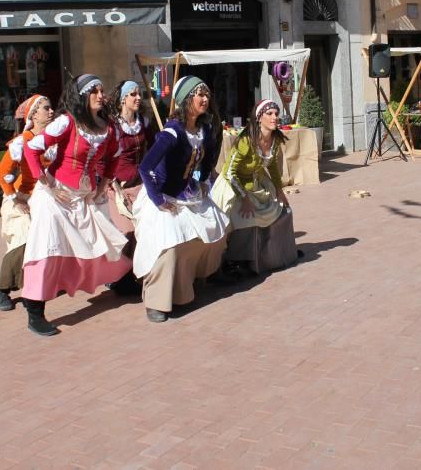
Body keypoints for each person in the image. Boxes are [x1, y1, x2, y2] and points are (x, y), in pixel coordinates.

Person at [20, 75, 131, 337]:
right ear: (82, 95)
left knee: (102, 241)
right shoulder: (66, 122)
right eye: (95, 90)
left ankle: (121, 282)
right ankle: (34, 312)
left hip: (84, 197)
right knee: (48, 249)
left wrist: (103, 185)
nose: (101, 95)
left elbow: (114, 157)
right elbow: (31, 149)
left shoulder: (108, 127)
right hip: (55, 198)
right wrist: (47, 183)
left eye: (102, 90)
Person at [132, 76, 229, 323]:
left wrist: (204, 180)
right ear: (187, 99)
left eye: (207, 94)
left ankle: (192, 280)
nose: (205, 99)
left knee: (218, 230)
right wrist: (157, 200)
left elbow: (207, 160)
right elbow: (145, 168)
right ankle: (156, 301)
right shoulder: (172, 132)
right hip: (163, 195)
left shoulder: (204, 129)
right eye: (199, 94)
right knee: (169, 244)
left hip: (189, 193)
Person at [211, 99, 299, 274]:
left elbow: (272, 166)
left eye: (276, 113)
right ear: (259, 118)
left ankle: (270, 255)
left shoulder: (274, 139)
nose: (275, 117)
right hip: (233, 184)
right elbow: (229, 172)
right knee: (245, 218)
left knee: (281, 210)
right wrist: (244, 199)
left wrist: (279, 191)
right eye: (270, 114)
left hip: (256, 182)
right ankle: (236, 261)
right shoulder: (246, 140)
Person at [0, 94, 53, 312]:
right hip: (22, 197)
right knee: (23, 239)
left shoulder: (53, 138)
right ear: (34, 114)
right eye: (46, 108)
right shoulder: (23, 141)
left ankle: (37, 286)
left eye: (51, 107)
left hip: (46, 198)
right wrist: (15, 199)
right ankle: (3, 289)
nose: (51, 111)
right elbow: (2, 173)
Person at [104, 80, 156, 295]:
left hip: (140, 186)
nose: (138, 98)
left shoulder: (143, 122)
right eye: (133, 94)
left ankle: (136, 274)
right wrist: (111, 181)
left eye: (139, 94)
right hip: (117, 187)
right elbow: (104, 155)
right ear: (122, 98)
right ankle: (118, 277)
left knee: (144, 230)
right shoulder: (112, 125)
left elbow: (154, 148)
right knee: (126, 232)